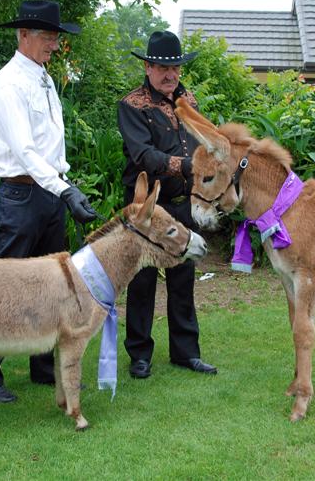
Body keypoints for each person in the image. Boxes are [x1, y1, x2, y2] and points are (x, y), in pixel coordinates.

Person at [0, 0, 99, 403]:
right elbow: (25, 151)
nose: (54, 46)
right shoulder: (8, 82)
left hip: (49, 192)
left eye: (56, 38)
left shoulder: (42, 77)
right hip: (22, 193)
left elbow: (49, 146)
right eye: (47, 37)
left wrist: (63, 185)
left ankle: (43, 365)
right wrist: (64, 189)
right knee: (0, 287)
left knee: (51, 285)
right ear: (23, 35)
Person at [117, 30, 217, 379]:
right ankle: (140, 355)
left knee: (183, 277)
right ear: (147, 66)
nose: (169, 74)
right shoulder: (131, 105)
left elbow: (202, 141)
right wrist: (187, 166)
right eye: (162, 67)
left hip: (181, 203)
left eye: (174, 68)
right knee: (142, 281)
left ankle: (186, 353)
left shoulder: (187, 101)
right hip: (147, 207)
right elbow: (143, 155)